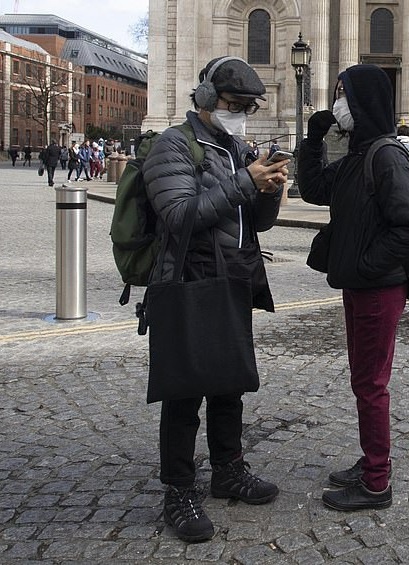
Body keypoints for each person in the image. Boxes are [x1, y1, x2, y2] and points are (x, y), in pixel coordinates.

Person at [143, 56, 288, 542]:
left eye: (248, 106)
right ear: (205, 99)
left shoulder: (235, 147)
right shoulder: (172, 146)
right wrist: (246, 180)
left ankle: (228, 469)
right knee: (183, 392)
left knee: (229, 384)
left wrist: (269, 190)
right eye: (233, 104)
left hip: (234, 278)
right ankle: (179, 489)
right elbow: (180, 214)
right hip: (188, 279)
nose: (241, 113)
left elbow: (257, 223)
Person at [297, 64, 409, 512]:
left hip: (376, 288)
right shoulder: (360, 154)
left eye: (343, 96)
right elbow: (314, 189)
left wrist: (367, 265)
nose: (337, 104)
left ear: (363, 102)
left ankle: (376, 482)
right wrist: (313, 139)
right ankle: (373, 460)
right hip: (359, 285)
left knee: (371, 384)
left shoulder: (386, 156)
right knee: (363, 380)